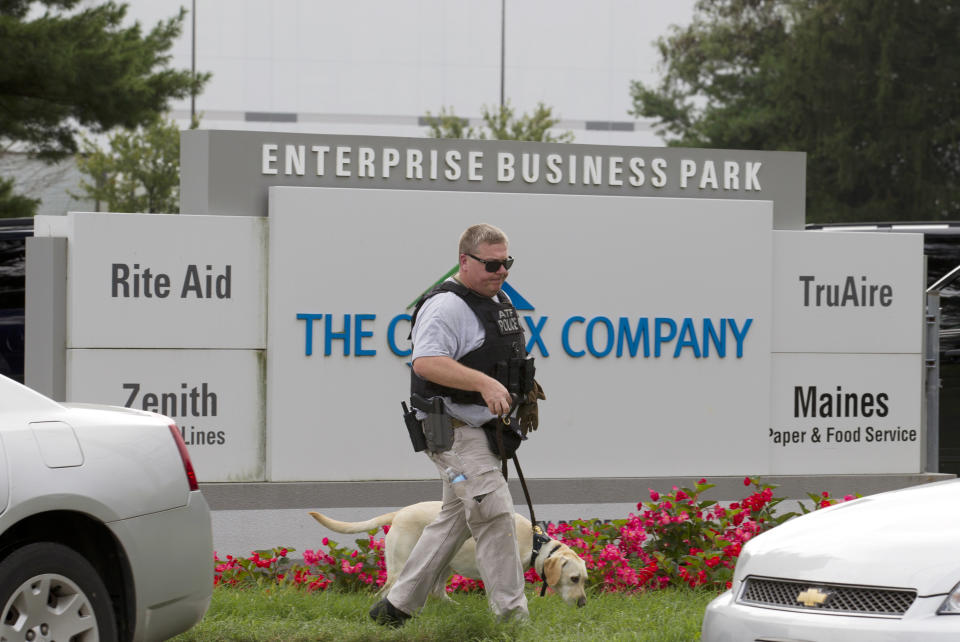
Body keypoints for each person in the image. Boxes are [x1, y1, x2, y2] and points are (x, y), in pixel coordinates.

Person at [370, 223, 533, 626]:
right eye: (492, 264)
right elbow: (426, 362)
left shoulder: (495, 302)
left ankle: (395, 607)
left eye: (506, 263)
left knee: (457, 516)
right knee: (493, 511)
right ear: (464, 260)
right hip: (452, 434)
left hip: (481, 433)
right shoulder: (445, 306)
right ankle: (513, 620)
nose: (502, 272)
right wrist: (485, 383)